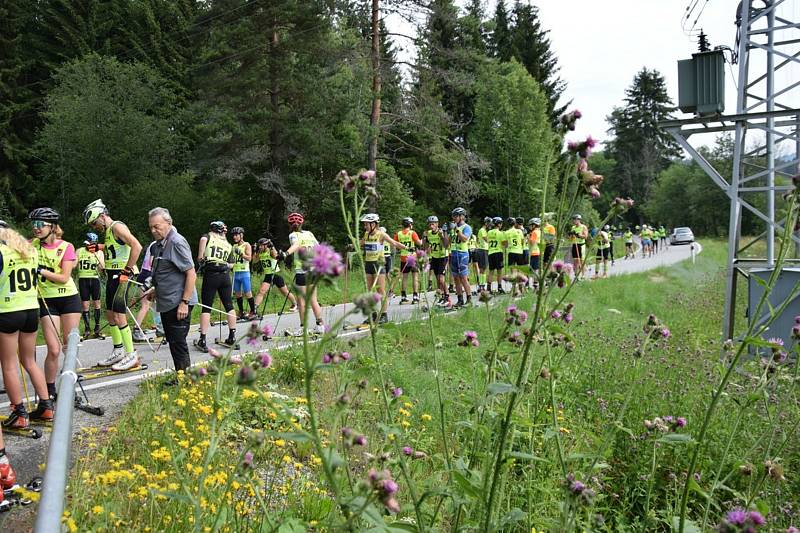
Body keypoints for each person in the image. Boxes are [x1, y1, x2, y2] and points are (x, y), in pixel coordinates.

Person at [0, 222, 52, 428]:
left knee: (9, 364)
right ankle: (46, 405)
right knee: (29, 360)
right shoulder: (29, 251)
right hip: (31, 309)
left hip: (8, 310)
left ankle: (19, 412)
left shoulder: (1, 252)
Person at [83, 199, 143, 370]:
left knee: (118, 315)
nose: (95, 227)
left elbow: (136, 246)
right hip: (111, 274)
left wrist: (127, 270)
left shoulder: (117, 226)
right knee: (109, 314)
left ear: (102, 216)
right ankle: (118, 351)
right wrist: (98, 247)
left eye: (95, 222)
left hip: (120, 275)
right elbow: (114, 247)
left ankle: (132, 355)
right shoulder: (109, 231)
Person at [30, 208, 82, 400]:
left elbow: (63, 277)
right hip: (47, 300)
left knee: (69, 347)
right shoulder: (32, 245)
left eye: (39, 224)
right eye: (33, 225)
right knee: (53, 349)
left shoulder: (66, 246)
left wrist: (40, 271)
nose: (35, 228)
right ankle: (50, 390)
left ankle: (70, 387)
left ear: (52, 226)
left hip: (68, 299)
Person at [144, 208, 198, 381]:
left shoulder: (176, 242)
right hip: (167, 300)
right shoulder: (160, 244)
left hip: (178, 302)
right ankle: (180, 376)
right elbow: (166, 272)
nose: (153, 230)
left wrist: (184, 302)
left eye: (157, 226)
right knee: (173, 343)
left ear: (169, 223)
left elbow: (191, 273)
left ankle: (186, 381)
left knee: (178, 343)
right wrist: (155, 289)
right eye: (151, 227)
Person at [195, 221, 237, 352]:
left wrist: (202, 258)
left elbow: (201, 254)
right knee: (229, 305)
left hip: (211, 274)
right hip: (224, 275)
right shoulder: (228, 244)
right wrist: (225, 265)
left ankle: (203, 339)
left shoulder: (207, 237)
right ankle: (232, 336)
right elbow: (232, 264)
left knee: (206, 306)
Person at [284, 212, 326, 336]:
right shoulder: (309, 233)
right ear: (302, 223)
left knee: (301, 301)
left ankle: (303, 328)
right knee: (314, 300)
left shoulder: (293, 235)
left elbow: (296, 245)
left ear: (290, 225)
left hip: (302, 271)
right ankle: (320, 326)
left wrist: (286, 254)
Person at [360, 214, 407, 323]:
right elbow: (361, 242)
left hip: (378, 264)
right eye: (365, 224)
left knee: (380, 290)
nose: (365, 226)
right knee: (369, 291)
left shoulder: (381, 234)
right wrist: (351, 246)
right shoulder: (366, 234)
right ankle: (372, 314)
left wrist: (407, 248)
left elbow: (394, 242)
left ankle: (384, 315)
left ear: (373, 224)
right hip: (368, 264)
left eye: (366, 224)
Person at [253, 238, 297, 315]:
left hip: (276, 274)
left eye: (261, 246)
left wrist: (272, 247)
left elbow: (276, 256)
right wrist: (255, 251)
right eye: (259, 246)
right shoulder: (260, 252)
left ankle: (295, 304)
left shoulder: (270, 251)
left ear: (266, 245)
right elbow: (254, 261)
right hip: (268, 275)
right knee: (261, 291)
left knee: (285, 292)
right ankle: (254, 309)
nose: (260, 247)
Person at [132, 241, 164, 342]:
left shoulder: (158, 243)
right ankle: (136, 331)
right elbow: (152, 262)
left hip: (148, 274)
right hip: (148, 275)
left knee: (157, 305)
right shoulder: (157, 244)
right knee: (146, 305)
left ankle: (160, 329)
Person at [76, 232, 104, 339]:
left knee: (97, 303)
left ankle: (97, 328)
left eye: (93, 243)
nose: (91, 245)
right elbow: (74, 264)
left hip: (94, 279)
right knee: (85, 305)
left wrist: (99, 261)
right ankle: (87, 329)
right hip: (83, 279)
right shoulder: (79, 251)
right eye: (90, 243)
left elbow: (102, 267)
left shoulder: (99, 252)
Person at [448, 207, 472, 307]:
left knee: (463, 278)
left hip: (462, 254)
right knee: (456, 278)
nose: (454, 218)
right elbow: (447, 243)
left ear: (462, 216)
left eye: (456, 216)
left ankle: (469, 299)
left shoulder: (466, 227)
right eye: (453, 216)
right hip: (453, 253)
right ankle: (460, 299)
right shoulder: (453, 228)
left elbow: (464, 239)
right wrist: (444, 233)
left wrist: (457, 230)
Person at [395, 218, 423, 304]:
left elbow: (396, 245)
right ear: (410, 224)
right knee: (415, 276)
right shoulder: (412, 233)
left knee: (405, 277)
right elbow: (419, 243)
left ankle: (403, 297)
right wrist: (423, 240)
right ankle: (415, 297)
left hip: (403, 257)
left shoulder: (398, 234)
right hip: (412, 257)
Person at [231, 227, 256, 320]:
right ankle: (241, 312)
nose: (234, 237)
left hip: (244, 272)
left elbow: (249, 258)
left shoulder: (247, 245)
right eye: (233, 235)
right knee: (238, 294)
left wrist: (241, 254)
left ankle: (253, 311)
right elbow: (232, 259)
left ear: (241, 235)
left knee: (247, 292)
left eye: (236, 235)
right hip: (235, 272)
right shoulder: (233, 246)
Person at [424, 216, 450, 306]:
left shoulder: (442, 231)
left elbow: (446, 245)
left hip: (443, 257)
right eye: (430, 224)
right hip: (434, 257)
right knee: (438, 279)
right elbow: (425, 247)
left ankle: (447, 296)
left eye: (433, 224)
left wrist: (442, 236)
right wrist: (424, 238)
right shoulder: (429, 233)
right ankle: (441, 296)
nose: (431, 226)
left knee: (441, 279)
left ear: (437, 224)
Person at [505, 216, 526, 293]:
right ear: (514, 223)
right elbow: (522, 241)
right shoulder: (519, 231)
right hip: (519, 252)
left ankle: (514, 289)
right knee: (520, 270)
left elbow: (506, 244)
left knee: (513, 271)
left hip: (511, 252)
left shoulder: (506, 232)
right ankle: (521, 288)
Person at [487, 217, 506, 293]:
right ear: (498, 224)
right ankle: (499, 287)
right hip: (498, 252)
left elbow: (488, 240)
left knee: (491, 271)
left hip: (491, 252)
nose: (501, 225)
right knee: (499, 271)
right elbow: (504, 243)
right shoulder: (500, 233)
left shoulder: (489, 232)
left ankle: (488, 288)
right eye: (501, 223)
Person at [568, 214, 588, 279]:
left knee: (581, 260)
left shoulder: (583, 227)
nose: (574, 221)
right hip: (574, 244)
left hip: (581, 245)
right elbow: (570, 239)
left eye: (575, 219)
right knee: (575, 260)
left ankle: (583, 275)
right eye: (573, 219)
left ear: (579, 220)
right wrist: (571, 235)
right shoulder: (573, 227)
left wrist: (578, 235)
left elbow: (585, 236)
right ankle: (576, 275)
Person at [474, 217, 491, 292]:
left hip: (482, 250)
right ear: (486, 223)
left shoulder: (483, 230)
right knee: (483, 269)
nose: (490, 225)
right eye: (489, 224)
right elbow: (487, 240)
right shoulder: (482, 230)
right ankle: (482, 285)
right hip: (483, 250)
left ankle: (481, 285)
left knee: (482, 269)